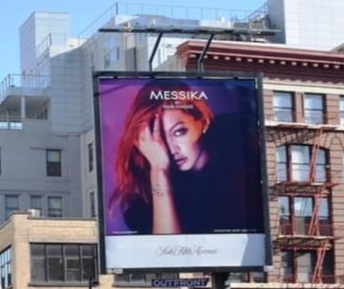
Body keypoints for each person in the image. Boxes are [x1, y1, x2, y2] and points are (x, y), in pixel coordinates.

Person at [107, 80, 263, 236]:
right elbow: (166, 248)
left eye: (179, 132)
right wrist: (158, 169)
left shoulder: (241, 146)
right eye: (160, 139)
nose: (171, 148)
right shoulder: (145, 202)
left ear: (203, 121)